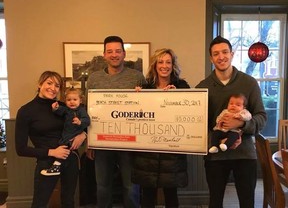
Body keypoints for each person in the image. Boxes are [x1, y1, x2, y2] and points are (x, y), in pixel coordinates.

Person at [196, 36, 267, 208]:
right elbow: (199, 122)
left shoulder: (248, 83)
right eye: (216, 54)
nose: (221, 57)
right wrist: (216, 135)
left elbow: (261, 117)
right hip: (215, 156)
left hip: (244, 155)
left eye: (225, 52)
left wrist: (241, 125)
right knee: (215, 202)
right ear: (211, 58)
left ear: (232, 54)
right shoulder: (202, 87)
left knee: (247, 202)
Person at [86, 35, 147, 208]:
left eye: (118, 51)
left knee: (131, 186)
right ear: (104, 54)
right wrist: (90, 142)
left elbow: (147, 106)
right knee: (103, 186)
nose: (114, 55)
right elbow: (88, 110)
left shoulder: (137, 77)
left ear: (124, 54)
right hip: (102, 141)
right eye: (110, 51)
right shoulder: (94, 79)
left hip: (130, 141)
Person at [15, 71, 87, 208]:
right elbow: (21, 149)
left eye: (57, 85)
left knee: (68, 201)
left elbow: (84, 122)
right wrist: (52, 152)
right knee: (39, 203)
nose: (53, 88)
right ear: (39, 84)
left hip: (71, 159)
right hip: (47, 162)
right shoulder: (26, 111)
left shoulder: (64, 107)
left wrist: (83, 134)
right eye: (49, 83)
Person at [132, 48, 189, 208]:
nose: (164, 66)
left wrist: (178, 97)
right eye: (161, 62)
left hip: (172, 151)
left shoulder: (182, 86)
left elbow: (191, 114)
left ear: (173, 65)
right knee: (147, 196)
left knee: (171, 196)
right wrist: (135, 100)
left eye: (168, 62)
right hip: (147, 153)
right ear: (155, 65)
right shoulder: (144, 87)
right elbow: (136, 118)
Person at [41, 87, 90, 176]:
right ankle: (58, 165)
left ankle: (56, 165)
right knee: (64, 147)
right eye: (69, 100)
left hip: (74, 135)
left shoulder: (81, 110)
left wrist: (80, 122)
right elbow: (60, 111)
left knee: (64, 148)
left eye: (75, 99)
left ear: (80, 100)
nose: (72, 102)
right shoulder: (67, 110)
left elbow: (87, 121)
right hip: (66, 134)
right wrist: (55, 108)